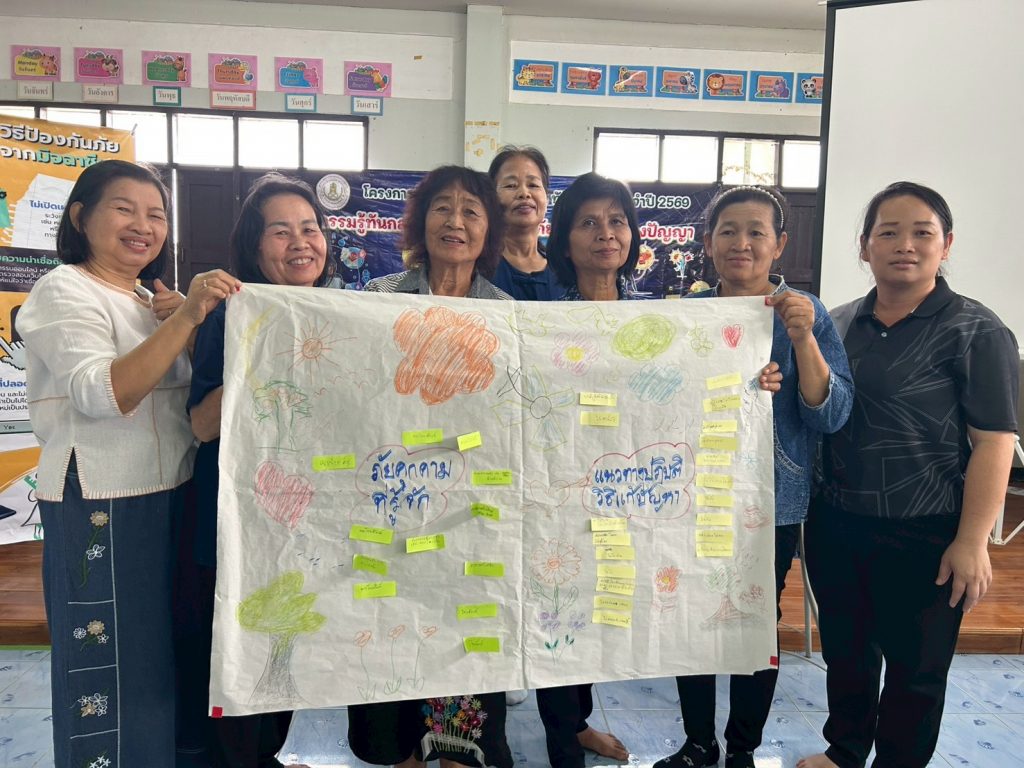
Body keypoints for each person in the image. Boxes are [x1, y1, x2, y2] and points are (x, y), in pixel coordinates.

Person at [17, 159, 237, 768]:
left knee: (162, 660)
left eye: (156, 215)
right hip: (104, 501)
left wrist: (186, 323)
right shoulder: (64, 289)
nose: (143, 225)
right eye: (124, 209)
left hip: (172, 495)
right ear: (80, 217)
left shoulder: (148, 300)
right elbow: (104, 393)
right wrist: (188, 316)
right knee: (112, 667)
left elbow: (185, 408)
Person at [798, 182, 1018, 768]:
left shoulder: (978, 330)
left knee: (916, 671)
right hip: (837, 522)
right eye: (888, 232)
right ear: (864, 246)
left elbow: (994, 442)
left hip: (928, 529)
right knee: (847, 655)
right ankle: (844, 751)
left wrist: (973, 541)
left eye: (922, 232)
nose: (905, 245)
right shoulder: (838, 324)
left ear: (946, 245)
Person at [655, 185, 854, 768]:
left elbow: (832, 413)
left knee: (755, 622)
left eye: (756, 232)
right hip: (695, 494)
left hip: (772, 500)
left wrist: (802, 341)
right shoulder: (688, 313)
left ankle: (742, 747)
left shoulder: (804, 313)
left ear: (779, 244)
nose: (741, 243)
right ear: (708, 242)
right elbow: (660, 399)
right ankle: (698, 743)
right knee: (691, 615)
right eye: (728, 231)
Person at [347, 165, 513, 768]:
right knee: (390, 623)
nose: (456, 221)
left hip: (469, 507)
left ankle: (455, 752)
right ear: (421, 221)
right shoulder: (379, 298)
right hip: (389, 499)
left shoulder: (508, 313)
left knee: (462, 629)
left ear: (488, 229)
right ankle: (401, 753)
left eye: (471, 210)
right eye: (443, 207)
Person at [179, 173, 332, 768]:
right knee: (235, 650)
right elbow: (200, 424)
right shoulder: (231, 314)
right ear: (254, 245)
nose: (301, 243)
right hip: (235, 516)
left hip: (301, 515)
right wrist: (257, 361)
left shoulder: (338, 312)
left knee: (282, 645)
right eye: (281, 231)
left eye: (310, 228)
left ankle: (264, 755)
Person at [537, 171, 640, 767]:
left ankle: (577, 724)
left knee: (604, 609)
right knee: (559, 610)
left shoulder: (664, 321)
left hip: (630, 495)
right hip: (557, 493)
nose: (606, 233)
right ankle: (563, 741)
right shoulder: (540, 320)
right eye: (589, 222)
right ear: (565, 239)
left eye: (617, 221)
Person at [486, 145, 563, 300]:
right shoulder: (477, 269)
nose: (524, 193)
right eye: (511, 185)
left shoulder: (564, 272)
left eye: (533, 185)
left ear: (547, 198)